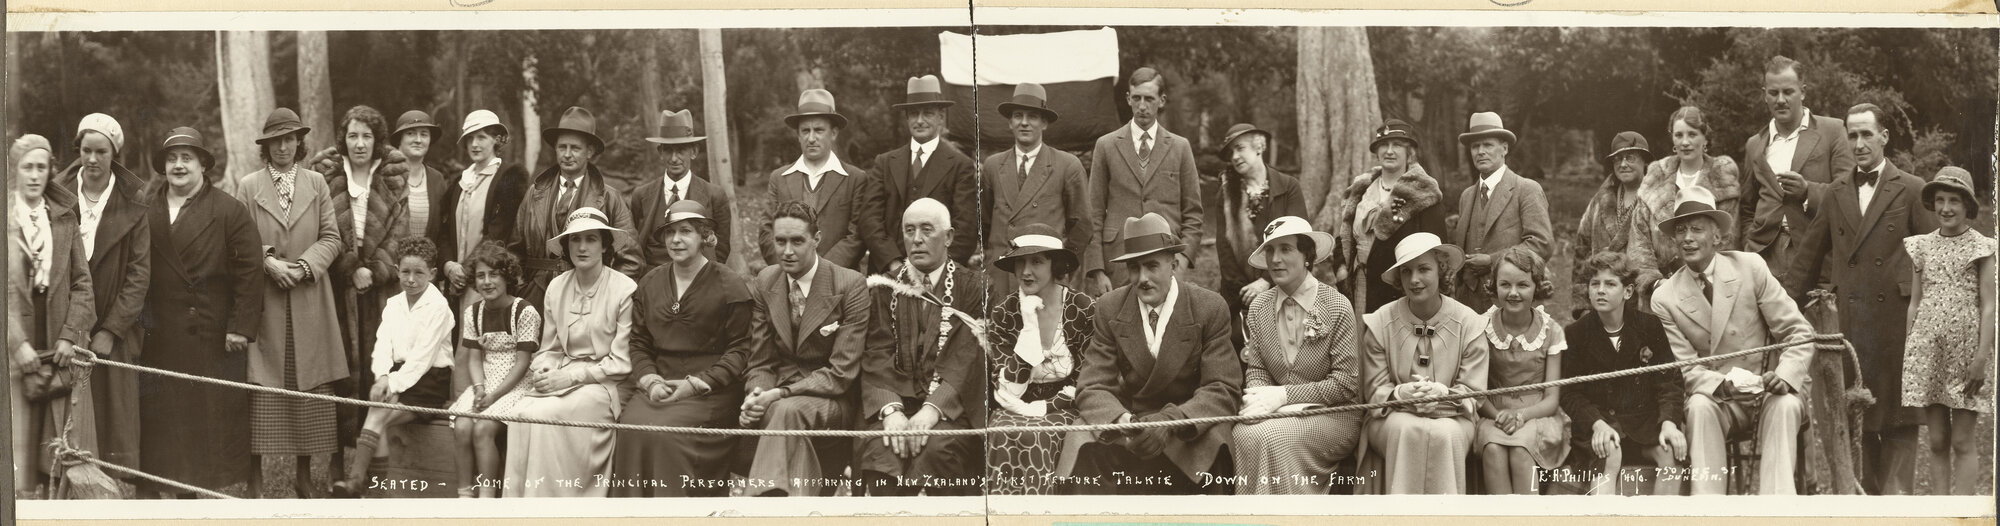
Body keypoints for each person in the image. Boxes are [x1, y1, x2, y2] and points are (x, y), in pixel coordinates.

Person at [1782, 102, 1936, 495]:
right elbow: (1806, 260)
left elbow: (1933, 264)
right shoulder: (1834, 193)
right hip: (1850, 329)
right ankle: (1863, 505)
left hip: (1899, 326)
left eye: (1867, 133)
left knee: (1901, 420)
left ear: (1885, 136)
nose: (1859, 142)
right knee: (1858, 419)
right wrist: (1779, 311)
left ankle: (1897, 506)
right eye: (1852, 134)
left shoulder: (1913, 188)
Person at [1649, 185, 1815, 495]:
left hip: (1768, 391)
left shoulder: (1750, 267)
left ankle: (1776, 509)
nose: (1687, 238)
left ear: (1717, 236)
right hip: (1720, 398)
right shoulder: (1665, 297)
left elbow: (1799, 332)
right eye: (1681, 230)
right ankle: (1709, 508)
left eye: (1697, 229)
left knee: (1787, 405)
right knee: (1698, 407)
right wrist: (1719, 385)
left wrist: (1785, 376)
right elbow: (1682, 368)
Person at [1069, 213, 1242, 495]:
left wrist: (1171, 421)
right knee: (1081, 440)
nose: (1143, 278)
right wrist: (1124, 422)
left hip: (1187, 425)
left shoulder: (1208, 307)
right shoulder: (1110, 307)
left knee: (1216, 440)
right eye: (1134, 268)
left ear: (1173, 265)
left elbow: (1222, 387)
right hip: (1131, 427)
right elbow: (1091, 385)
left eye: (1152, 266)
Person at [141, 127, 265, 498]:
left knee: (199, 420)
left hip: (208, 334)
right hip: (156, 332)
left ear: (202, 165)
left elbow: (250, 271)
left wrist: (240, 327)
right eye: (172, 158)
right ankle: (152, 487)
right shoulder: (145, 206)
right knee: (159, 416)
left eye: (186, 158)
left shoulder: (228, 210)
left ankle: (190, 493)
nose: (178, 165)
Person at [236, 107, 349, 498]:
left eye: (289, 139)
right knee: (262, 386)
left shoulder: (317, 183)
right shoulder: (248, 186)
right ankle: (256, 478)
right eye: (275, 141)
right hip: (265, 300)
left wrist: (302, 267)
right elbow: (240, 240)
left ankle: (304, 474)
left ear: (298, 143)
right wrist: (267, 261)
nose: (283, 146)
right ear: (265, 146)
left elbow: (332, 238)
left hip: (309, 298)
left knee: (307, 387)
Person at [611, 200, 756, 497]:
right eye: (670, 232)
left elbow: (741, 349)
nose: (676, 240)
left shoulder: (731, 285)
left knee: (666, 435)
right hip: (659, 385)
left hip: (711, 391)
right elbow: (638, 342)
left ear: (704, 235)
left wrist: (699, 384)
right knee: (631, 427)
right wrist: (649, 380)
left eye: (686, 231)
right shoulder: (650, 282)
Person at [739, 200, 872, 497]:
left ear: (817, 239)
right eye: (780, 241)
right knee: (780, 411)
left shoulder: (850, 284)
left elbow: (841, 373)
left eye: (797, 241)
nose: (787, 251)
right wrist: (756, 395)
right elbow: (760, 361)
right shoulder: (766, 280)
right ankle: (797, 507)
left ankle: (758, 504)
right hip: (778, 397)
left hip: (832, 399)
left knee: (785, 410)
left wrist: (780, 394)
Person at [504, 207, 637, 498]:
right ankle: (519, 509)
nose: (582, 247)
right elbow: (549, 348)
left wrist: (570, 379)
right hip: (563, 374)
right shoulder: (556, 287)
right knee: (520, 414)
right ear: (566, 246)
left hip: (605, 383)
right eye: (574, 240)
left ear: (605, 245)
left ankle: (561, 505)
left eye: (591, 239)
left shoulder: (625, 289)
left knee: (547, 414)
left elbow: (621, 363)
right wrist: (544, 370)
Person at [857, 198, 986, 496]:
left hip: (950, 410)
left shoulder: (974, 288)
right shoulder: (884, 288)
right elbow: (876, 351)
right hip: (897, 404)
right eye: (909, 230)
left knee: (938, 448)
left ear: (949, 237)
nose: (917, 239)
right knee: (882, 448)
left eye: (927, 230)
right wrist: (890, 411)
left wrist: (933, 410)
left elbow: (970, 357)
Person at [45, 113, 151, 476]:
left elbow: (139, 274)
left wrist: (111, 329)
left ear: (114, 154)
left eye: (101, 151)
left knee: (113, 411)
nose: (92, 159)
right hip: (64, 317)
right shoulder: (56, 192)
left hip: (112, 324)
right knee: (64, 410)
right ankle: (62, 476)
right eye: (86, 150)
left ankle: (107, 480)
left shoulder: (133, 200)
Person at [1229, 217, 1362, 495]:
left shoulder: (1337, 305)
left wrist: (1284, 396)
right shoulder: (1259, 307)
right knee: (1243, 433)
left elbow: (1345, 385)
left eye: (1286, 249)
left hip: (1335, 417)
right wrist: (1261, 399)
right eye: (1270, 251)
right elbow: (1257, 369)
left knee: (1273, 437)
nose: (1275, 259)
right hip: (1278, 415)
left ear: (1307, 256)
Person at [1355, 232, 1489, 495]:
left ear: (1442, 270)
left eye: (1424, 269)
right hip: (1392, 417)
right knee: (1406, 429)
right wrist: (1399, 393)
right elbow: (1374, 391)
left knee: (1445, 434)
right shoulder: (1380, 322)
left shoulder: (1469, 323)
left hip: (1454, 417)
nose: (1414, 280)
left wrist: (1444, 395)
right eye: (1406, 272)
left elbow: (1474, 393)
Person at [319, 105, 413, 464]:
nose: (359, 144)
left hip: (380, 289)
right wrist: (350, 268)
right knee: (338, 367)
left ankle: (374, 456)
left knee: (379, 364)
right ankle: (335, 460)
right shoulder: (325, 174)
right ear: (343, 138)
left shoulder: (394, 175)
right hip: (338, 286)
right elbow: (322, 227)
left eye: (367, 136)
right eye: (353, 135)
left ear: (378, 140)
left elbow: (400, 233)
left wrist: (375, 270)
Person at [8, 133, 99, 498]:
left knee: (57, 446)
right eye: (27, 167)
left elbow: (83, 285)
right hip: (16, 345)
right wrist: (17, 344)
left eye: (41, 167)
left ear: (50, 172)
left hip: (57, 341)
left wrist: (69, 335)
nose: (34, 175)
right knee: (16, 446)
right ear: (13, 172)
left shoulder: (63, 219)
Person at [333, 236, 455, 498]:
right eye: (405, 272)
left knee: (378, 413)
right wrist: (382, 377)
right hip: (398, 374)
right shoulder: (393, 304)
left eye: (419, 273)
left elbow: (422, 358)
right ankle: (366, 488)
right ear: (397, 270)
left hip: (430, 380)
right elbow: (382, 346)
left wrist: (392, 383)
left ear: (432, 274)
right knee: (378, 413)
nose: (411, 279)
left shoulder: (439, 307)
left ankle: (360, 484)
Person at [1901, 166, 1995, 496]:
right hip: (1929, 351)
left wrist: (1982, 357)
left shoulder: (1981, 247)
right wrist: (1912, 350)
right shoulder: (1921, 246)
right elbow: (1915, 301)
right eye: (1940, 200)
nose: (1946, 208)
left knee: (1962, 440)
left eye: (1954, 200)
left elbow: (1988, 305)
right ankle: (1941, 510)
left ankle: (1964, 511)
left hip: (1966, 353)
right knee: (1938, 439)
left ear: (1967, 205)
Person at [1561, 251, 1686, 496]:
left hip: (1643, 427)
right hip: (1599, 428)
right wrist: (1596, 424)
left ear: (1628, 292)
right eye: (1594, 284)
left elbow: (1669, 381)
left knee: (1671, 452)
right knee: (1608, 451)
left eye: (1610, 284)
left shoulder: (1649, 326)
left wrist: (1669, 423)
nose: (1600, 290)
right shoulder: (1577, 333)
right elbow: (1569, 392)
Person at [985, 223, 1096, 496]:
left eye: (1036, 261)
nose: (1026, 271)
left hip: (1067, 408)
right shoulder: (1005, 312)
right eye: (1020, 262)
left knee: (1037, 435)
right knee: (1000, 433)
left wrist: (1043, 409)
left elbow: (1090, 379)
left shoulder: (1083, 309)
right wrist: (1029, 327)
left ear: (1055, 264)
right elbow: (1008, 389)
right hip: (1013, 406)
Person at [510, 106, 644, 310]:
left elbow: (632, 259)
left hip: (589, 296)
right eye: (562, 147)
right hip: (535, 296)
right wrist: (522, 288)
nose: (567, 154)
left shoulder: (609, 197)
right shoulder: (533, 193)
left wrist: (607, 296)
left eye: (575, 148)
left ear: (590, 152)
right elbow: (514, 250)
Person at [1088, 67, 1203, 295]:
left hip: (1165, 261)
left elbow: (1194, 214)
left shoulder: (1180, 147)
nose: (1142, 106)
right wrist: (1096, 269)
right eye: (1137, 98)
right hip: (1118, 262)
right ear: (1128, 98)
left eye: (1149, 99)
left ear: (1161, 100)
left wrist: (1181, 259)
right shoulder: (1106, 145)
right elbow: (1093, 212)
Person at [1741, 55, 1856, 284]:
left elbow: (1851, 193)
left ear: (1802, 92)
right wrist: (1749, 246)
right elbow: (1747, 208)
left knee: (1815, 320)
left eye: (1788, 92)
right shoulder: (1755, 144)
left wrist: (1808, 192)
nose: (1780, 100)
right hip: (1764, 259)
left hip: (1816, 256)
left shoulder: (1832, 131)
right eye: (1773, 93)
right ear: (1764, 94)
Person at [981, 82, 1096, 296]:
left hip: (1047, 275)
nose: (1024, 123)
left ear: (1044, 123)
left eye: (1032, 117)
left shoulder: (1066, 165)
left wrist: (1063, 265)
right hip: (1002, 275)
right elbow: (985, 222)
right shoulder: (993, 166)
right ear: (1010, 122)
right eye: (1018, 115)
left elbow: (1083, 226)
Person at [1473, 246, 1569, 494]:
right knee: (1493, 448)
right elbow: (1476, 389)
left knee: (1520, 448)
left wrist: (1522, 416)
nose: (1513, 293)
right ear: (1494, 286)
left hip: (1536, 413)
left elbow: (1552, 399)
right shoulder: (1482, 327)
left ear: (1536, 287)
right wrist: (1496, 414)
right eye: (1505, 285)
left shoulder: (1551, 330)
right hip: (1492, 411)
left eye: (1523, 285)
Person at [762, 89, 891, 272]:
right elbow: (767, 231)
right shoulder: (779, 178)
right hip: (788, 281)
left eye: (819, 130)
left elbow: (857, 235)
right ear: (798, 135)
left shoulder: (855, 178)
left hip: (838, 283)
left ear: (834, 133)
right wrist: (788, 268)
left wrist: (820, 273)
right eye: (805, 131)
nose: (811, 138)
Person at [446, 241, 537, 499]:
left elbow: (523, 362)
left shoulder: (524, 310)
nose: (487, 281)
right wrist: (479, 389)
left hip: (516, 384)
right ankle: (465, 496)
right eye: (480, 275)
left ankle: (487, 497)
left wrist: (494, 396)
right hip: (484, 382)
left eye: (494, 274)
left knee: (483, 428)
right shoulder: (473, 312)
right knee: (462, 426)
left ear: (507, 276)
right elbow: (474, 359)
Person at [1336, 119, 1447, 314]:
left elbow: (1436, 250)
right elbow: (1344, 236)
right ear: (1377, 153)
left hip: (1402, 289)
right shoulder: (1360, 189)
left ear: (1409, 153)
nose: (1389, 151)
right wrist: (1341, 269)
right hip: (1359, 285)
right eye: (1383, 145)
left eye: (1397, 145)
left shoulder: (1423, 191)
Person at [871, 75, 979, 270]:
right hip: (889, 271)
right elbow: (870, 219)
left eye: (927, 113)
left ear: (940, 117)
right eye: (914, 114)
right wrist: (892, 262)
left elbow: (966, 228)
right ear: (907, 118)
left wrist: (940, 270)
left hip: (940, 275)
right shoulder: (884, 163)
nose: (920, 121)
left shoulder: (960, 165)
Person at [1449, 112, 1552, 313]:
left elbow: (1542, 244)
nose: (1480, 152)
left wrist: (1491, 261)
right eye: (1475, 146)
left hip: (1510, 301)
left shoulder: (1526, 189)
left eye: (1487, 145)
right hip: (1467, 303)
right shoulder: (1467, 196)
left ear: (1504, 148)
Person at [1213, 124, 1308, 328]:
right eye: (1231, 153)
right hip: (1240, 296)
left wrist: (1266, 281)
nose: (1235, 157)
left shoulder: (1288, 187)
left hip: (1286, 287)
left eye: (1240, 148)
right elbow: (1225, 250)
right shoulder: (1226, 194)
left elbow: (1300, 240)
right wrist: (1246, 292)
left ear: (1259, 147)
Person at [439, 110, 531, 309]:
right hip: (455, 280)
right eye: (470, 138)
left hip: (488, 279)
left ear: (496, 140)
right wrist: (448, 267)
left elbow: (498, 233)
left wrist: (465, 272)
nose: (474, 144)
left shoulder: (509, 179)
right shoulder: (459, 182)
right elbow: (444, 231)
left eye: (481, 137)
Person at [1640, 106, 1742, 276]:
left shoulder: (1722, 177)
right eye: (1678, 135)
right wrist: (1653, 282)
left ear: (1705, 139)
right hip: (1662, 284)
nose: (1685, 142)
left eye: (1692, 134)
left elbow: (1728, 238)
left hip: (1710, 280)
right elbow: (1640, 240)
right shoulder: (1656, 176)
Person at [630, 109, 734, 274]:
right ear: (660, 153)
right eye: (668, 151)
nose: (674, 158)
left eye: (680, 150)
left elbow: (721, 249)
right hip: (651, 282)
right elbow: (633, 244)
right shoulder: (641, 195)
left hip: (698, 281)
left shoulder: (714, 195)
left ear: (693, 152)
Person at [1571, 131, 1661, 316]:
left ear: (1645, 161)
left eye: (1630, 157)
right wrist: (1581, 304)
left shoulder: (1658, 201)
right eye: (1617, 159)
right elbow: (1582, 251)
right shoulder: (1599, 201)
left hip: (1644, 302)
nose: (1623, 164)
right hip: (1603, 300)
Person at [393, 110, 450, 241]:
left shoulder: (437, 180)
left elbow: (443, 229)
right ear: (399, 139)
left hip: (427, 260)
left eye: (424, 134)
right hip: (390, 260)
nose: (418, 140)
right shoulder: (384, 175)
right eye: (411, 134)